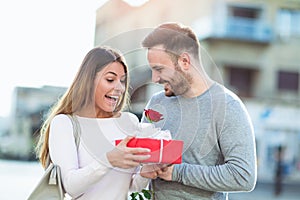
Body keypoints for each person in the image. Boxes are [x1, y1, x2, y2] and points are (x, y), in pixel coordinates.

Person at [139, 22, 257, 200]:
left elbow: (243, 176)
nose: (155, 78)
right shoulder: (156, 103)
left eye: (159, 69)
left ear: (184, 61)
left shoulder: (228, 106)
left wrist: (178, 172)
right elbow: (140, 159)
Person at [35, 46, 152, 199]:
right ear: (89, 80)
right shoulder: (65, 123)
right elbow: (70, 187)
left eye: (122, 81)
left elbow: (133, 185)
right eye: (110, 79)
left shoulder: (128, 121)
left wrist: (148, 171)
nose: (119, 88)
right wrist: (109, 160)